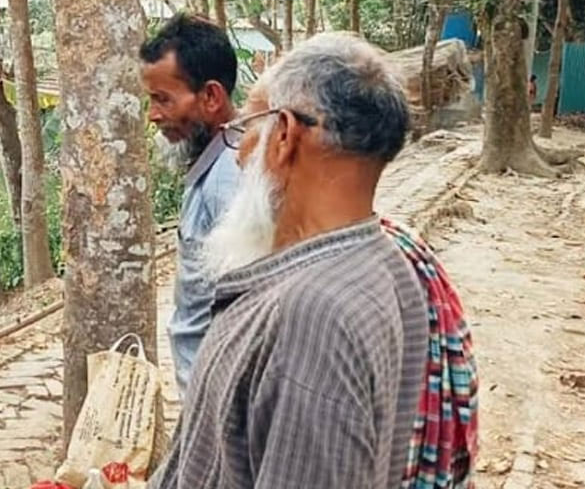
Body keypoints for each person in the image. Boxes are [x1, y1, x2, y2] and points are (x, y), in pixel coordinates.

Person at [150, 33, 430, 488]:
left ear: (283, 134)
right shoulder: (389, 267)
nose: (240, 153)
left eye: (246, 127)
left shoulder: (314, 316)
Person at [138, 15, 240, 395]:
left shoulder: (230, 177)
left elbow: (248, 307)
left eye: (163, 99)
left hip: (218, 396)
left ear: (211, 97)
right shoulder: (212, 165)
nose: (153, 115)